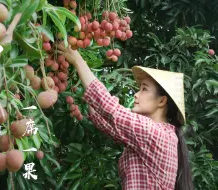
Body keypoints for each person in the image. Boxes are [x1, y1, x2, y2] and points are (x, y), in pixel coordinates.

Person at [57, 43, 194, 190]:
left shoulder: (156, 134)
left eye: (144, 89)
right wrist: (79, 75)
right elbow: (105, 122)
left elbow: (111, 109)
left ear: (161, 101)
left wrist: (78, 60)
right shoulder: (152, 137)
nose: (136, 94)